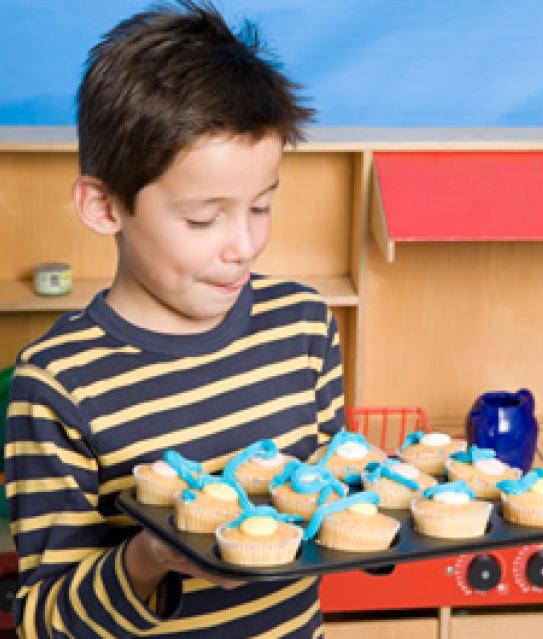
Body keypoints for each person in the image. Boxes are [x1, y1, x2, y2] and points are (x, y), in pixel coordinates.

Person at [4, 2, 343, 637]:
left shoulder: (303, 327)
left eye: (262, 206)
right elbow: (45, 620)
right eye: (202, 219)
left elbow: (335, 514)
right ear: (105, 206)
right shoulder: (56, 385)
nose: (242, 244)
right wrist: (148, 559)